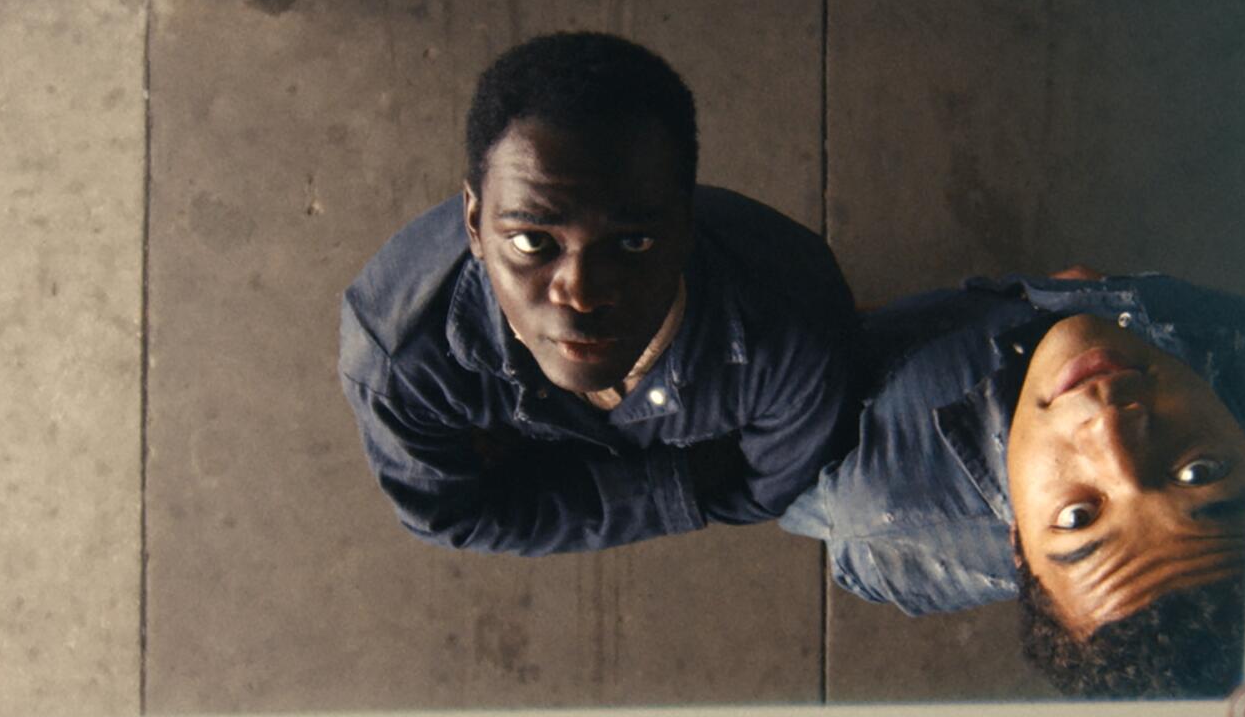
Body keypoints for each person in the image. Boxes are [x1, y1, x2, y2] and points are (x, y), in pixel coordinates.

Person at [340, 32, 858, 556]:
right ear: (473, 222)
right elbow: (454, 518)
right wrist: (685, 478)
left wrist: (526, 475)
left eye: (633, 242)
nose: (581, 294)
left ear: (687, 223)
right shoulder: (397, 355)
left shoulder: (800, 329)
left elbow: (764, 492)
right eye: (531, 241)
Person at [781, 271, 1245, 697]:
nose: (1109, 426)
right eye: (1200, 472)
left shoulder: (878, 512)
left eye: (1078, 517)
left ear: (1018, 544)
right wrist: (1070, 296)